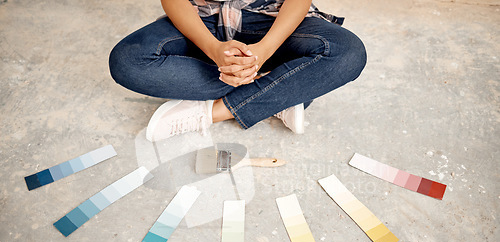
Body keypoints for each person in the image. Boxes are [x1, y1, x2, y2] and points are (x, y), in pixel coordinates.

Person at [109, 0, 366, 141]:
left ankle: (213, 111)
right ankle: (278, 89)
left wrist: (262, 52)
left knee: (348, 52)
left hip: (270, 19)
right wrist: (213, 49)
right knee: (128, 60)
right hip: (203, 20)